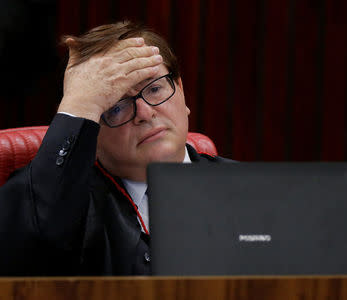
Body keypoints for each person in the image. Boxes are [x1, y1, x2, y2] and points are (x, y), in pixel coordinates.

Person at [0, 21, 231, 276]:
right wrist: (78, 105)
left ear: (181, 90)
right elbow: (22, 249)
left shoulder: (248, 190)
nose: (144, 113)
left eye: (155, 89)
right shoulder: (59, 207)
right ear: (90, 127)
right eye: (116, 107)